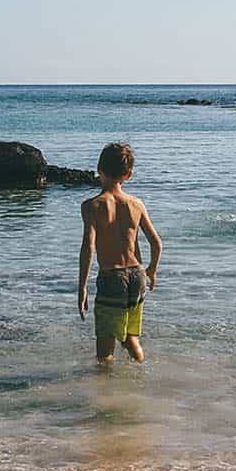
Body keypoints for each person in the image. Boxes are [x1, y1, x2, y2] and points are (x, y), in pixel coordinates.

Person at [77, 142, 162, 363]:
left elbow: (89, 247)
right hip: (137, 275)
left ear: (98, 169)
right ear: (128, 174)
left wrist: (82, 287)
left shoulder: (92, 206)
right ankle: (140, 376)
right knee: (131, 338)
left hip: (112, 278)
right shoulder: (136, 204)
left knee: (105, 349)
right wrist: (151, 271)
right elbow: (156, 243)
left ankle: (106, 394)